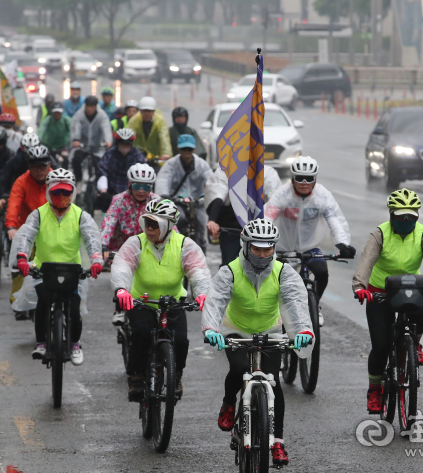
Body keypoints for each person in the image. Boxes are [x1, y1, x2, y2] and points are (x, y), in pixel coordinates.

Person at [201, 219, 314, 466]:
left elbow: (296, 302)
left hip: (270, 330)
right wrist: (211, 328)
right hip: (235, 331)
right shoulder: (229, 271)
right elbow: (216, 301)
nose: (263, 254)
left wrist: (304, 330)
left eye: (268, 249)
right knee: (238, 369)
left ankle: (278, 442)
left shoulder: (283, 271)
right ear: (245, 245)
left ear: (274, 247)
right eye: (256, 248)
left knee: (274, 382)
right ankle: (229, 402)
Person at [352, 188, 423, 413]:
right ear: (391, 214)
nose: (406, 221)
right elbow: (366, 261)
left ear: (417, 215)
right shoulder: (380, 234)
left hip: (410, 288)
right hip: (380, 292)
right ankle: (375, 389)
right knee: (381, 346)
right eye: (401, 217)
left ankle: (415, 343)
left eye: (411, 217)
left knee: (421, 314)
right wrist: (360, 287)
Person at [111, 199, 210, 398]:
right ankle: (136, 376)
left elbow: (198, 271)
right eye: (146, 222)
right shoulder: (136, 242)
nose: (149, 228)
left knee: (181, 341)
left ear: (168, 226)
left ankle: (177, 374)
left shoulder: (185, 245)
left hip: (173, 301)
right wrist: (122, 290)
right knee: (141, 333)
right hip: (141, 302)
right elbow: (122, 266)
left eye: (155, 224)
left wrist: (202, 293)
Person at [12, 169, 103, 365]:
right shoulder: (38, 215)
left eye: (66, 192)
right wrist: (22, 257)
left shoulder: (81, 216)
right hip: (44, 270)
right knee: (43, 301)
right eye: (56, 192)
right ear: (48, 192)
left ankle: (75, 344)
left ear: (73, 193)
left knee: (74, 308)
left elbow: (91, 239)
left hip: (73, 271)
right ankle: (42, 343)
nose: (61, 197)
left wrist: (96, 260)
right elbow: (26, 236)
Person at [264, 156, 355, 326]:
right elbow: (268, 217)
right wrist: (263, 242)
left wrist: (343, 243)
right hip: (284, 247)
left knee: (321, 272)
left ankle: (315, 305)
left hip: (310, 247)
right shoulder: (282, 194)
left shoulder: (322, 195)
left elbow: (335, 221)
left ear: (315, 179)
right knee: (278, 282)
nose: (304, 182)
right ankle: (276, 312)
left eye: (309, 179)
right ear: (292, 178)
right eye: (299, 178)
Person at [4, 144, 53, 312]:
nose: (39, 170)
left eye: (43, 165)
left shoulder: (57, 179)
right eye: (34, 166)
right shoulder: (21, 181)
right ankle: (17, 300)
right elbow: (14, 203)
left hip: (52, 230)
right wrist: (11, 226)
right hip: (26, 230)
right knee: (19, 262)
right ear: (29, 167)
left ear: (49, 165)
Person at [206, 165, 281, 266]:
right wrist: (212, 220)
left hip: (259, 229)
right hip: (232, 227)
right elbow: (218, 195)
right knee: (228, 264)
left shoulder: (267, 172)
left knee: (265, 263)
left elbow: (274, 201)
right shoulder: (225, 171)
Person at [155, 134, 211, 252]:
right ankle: (173, 245)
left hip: (198, 201)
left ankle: (202, 252)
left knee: (202, 225)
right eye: (183, 149)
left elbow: (210, 180)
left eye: (189, 149)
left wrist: (209, 195)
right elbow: (163, 179)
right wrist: (164, 196)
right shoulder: (170, 164)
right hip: (176, 201)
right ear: (178, 149)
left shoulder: (202, 164)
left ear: (194, 149)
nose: (186, 152)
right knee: (177, 220)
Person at [101, 163, 158, 254]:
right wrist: (103, 244)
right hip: (120, 253)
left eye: (146, 187)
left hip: (148, 254)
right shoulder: (119, 200)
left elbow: (171, 227)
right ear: (130, 185)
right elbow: (108, 223)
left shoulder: (156, 202)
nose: (141, 191)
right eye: (137, 186)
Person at [96, 128, 145, 212]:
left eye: (127, 145)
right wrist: (103, 190)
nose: (124, 148)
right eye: (122, 145)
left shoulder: (137, 155)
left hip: (132, 192)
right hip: (113, 191)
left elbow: (143, 174)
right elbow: (102, 170)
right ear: (118, 144)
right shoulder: (110, 154)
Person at [70, 95, 112, 184]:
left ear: (96, 106)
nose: (90, 109)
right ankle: (78, 180)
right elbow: (76, 127)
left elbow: (106, 128)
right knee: (76, 160)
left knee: (100, 166)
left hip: (98, 147)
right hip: (83, 146)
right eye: (88, 106)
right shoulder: (79, 115)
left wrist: (108, 141)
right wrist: (76, 139)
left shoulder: (102, 115)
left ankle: (98, 184)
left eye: (92, 106)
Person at [126, 96, 171, 166]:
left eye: (149, 111)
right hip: (137, 156)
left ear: (154, 111)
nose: (146, 114)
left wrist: (166, 153)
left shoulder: (160, 121)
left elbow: (164, 137)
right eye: (144, 111)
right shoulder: (134, 120)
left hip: (155, 157)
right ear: (140, 111)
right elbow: (128, 136)